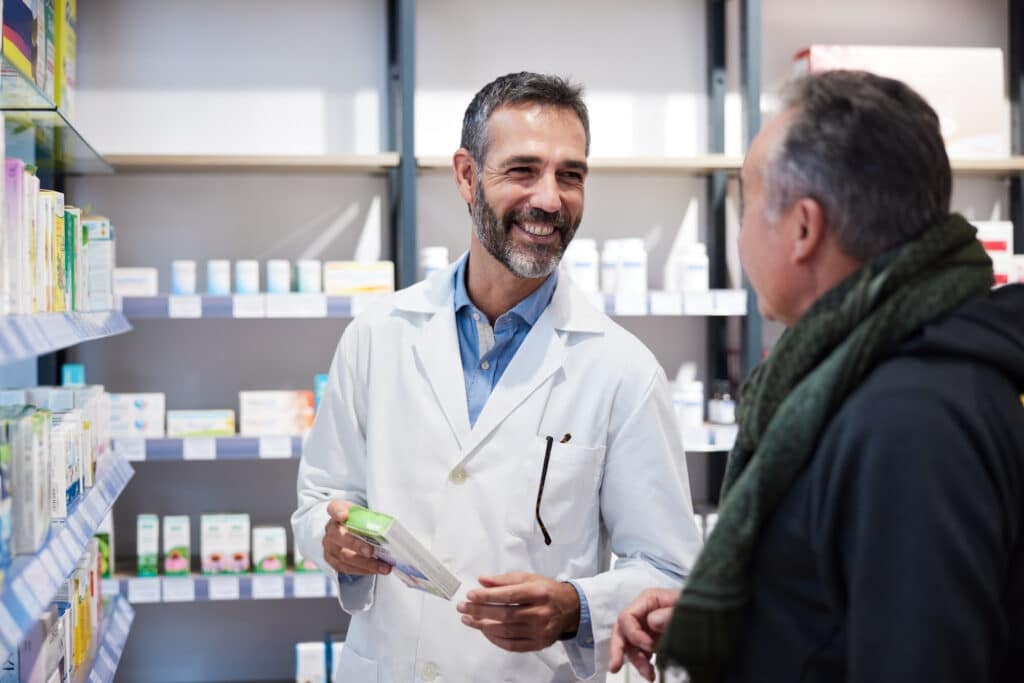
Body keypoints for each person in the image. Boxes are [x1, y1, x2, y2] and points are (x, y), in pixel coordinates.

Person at [611, 70, 1024, 683]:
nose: (742, 232)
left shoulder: (906, 418)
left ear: (803, 228)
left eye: (745, 204)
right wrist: (752, 613)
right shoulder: (862, 372)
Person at [293, 71, 702, 682]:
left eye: (571, 175)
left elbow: (670, 572)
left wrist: (576, 607)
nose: (550, 198)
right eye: (522, 170)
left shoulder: (624, 370)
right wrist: (335, 543)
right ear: (466, 175)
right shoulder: (378, 335)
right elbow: (320, 501)